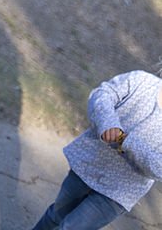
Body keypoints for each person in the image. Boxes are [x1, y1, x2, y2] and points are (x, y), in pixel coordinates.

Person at [29, 69, 162, 229]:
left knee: (70, 227)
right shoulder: (141, 81)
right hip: (89, 165)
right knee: (55, 215)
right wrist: (108, 122)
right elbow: (103, 94)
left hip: (119, 192)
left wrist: (126, 141)